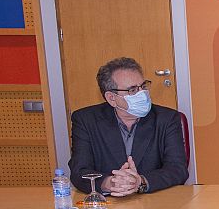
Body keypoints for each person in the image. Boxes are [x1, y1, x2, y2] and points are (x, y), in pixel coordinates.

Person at [68, 57, 188, 196]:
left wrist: (140, 182)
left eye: (143, 86)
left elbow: (177, 169)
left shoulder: (167, 119)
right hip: (108, 205)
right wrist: (109, 183)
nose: (142, 94)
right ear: (111, 98)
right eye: (132, 90)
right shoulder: (86, 120)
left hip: (155, 202)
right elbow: (79, 171)